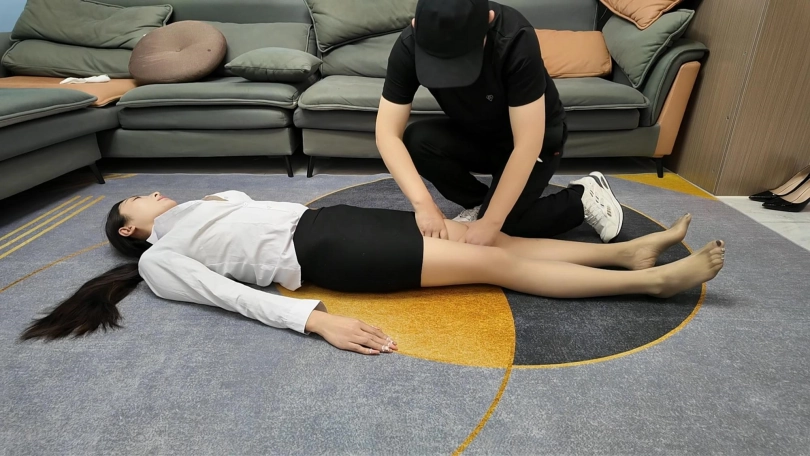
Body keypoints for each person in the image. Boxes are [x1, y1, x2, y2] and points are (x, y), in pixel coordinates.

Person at [20, 191, 725, 355]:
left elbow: (253, 209)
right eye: (138, 201)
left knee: (497, 237)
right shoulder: (159, 260)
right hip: (330, 254)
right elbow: (230, 296)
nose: (152, 194)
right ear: (129, 229)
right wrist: (316, 321)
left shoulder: (208, 202)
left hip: (335, 220)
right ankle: (651, 281)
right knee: (497, 264)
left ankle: (624, 253)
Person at [376, 0, 623, 246]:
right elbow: (387, 133)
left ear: (489, 20)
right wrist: (423, 205)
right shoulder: (409, 45)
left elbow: (527, 144)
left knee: (503, 230)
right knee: (417, 140)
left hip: (536, 142)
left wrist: (492, 223)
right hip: (478, 135)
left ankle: (581, 198)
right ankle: (480, 203)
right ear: (416, 25)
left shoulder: (515, 39)